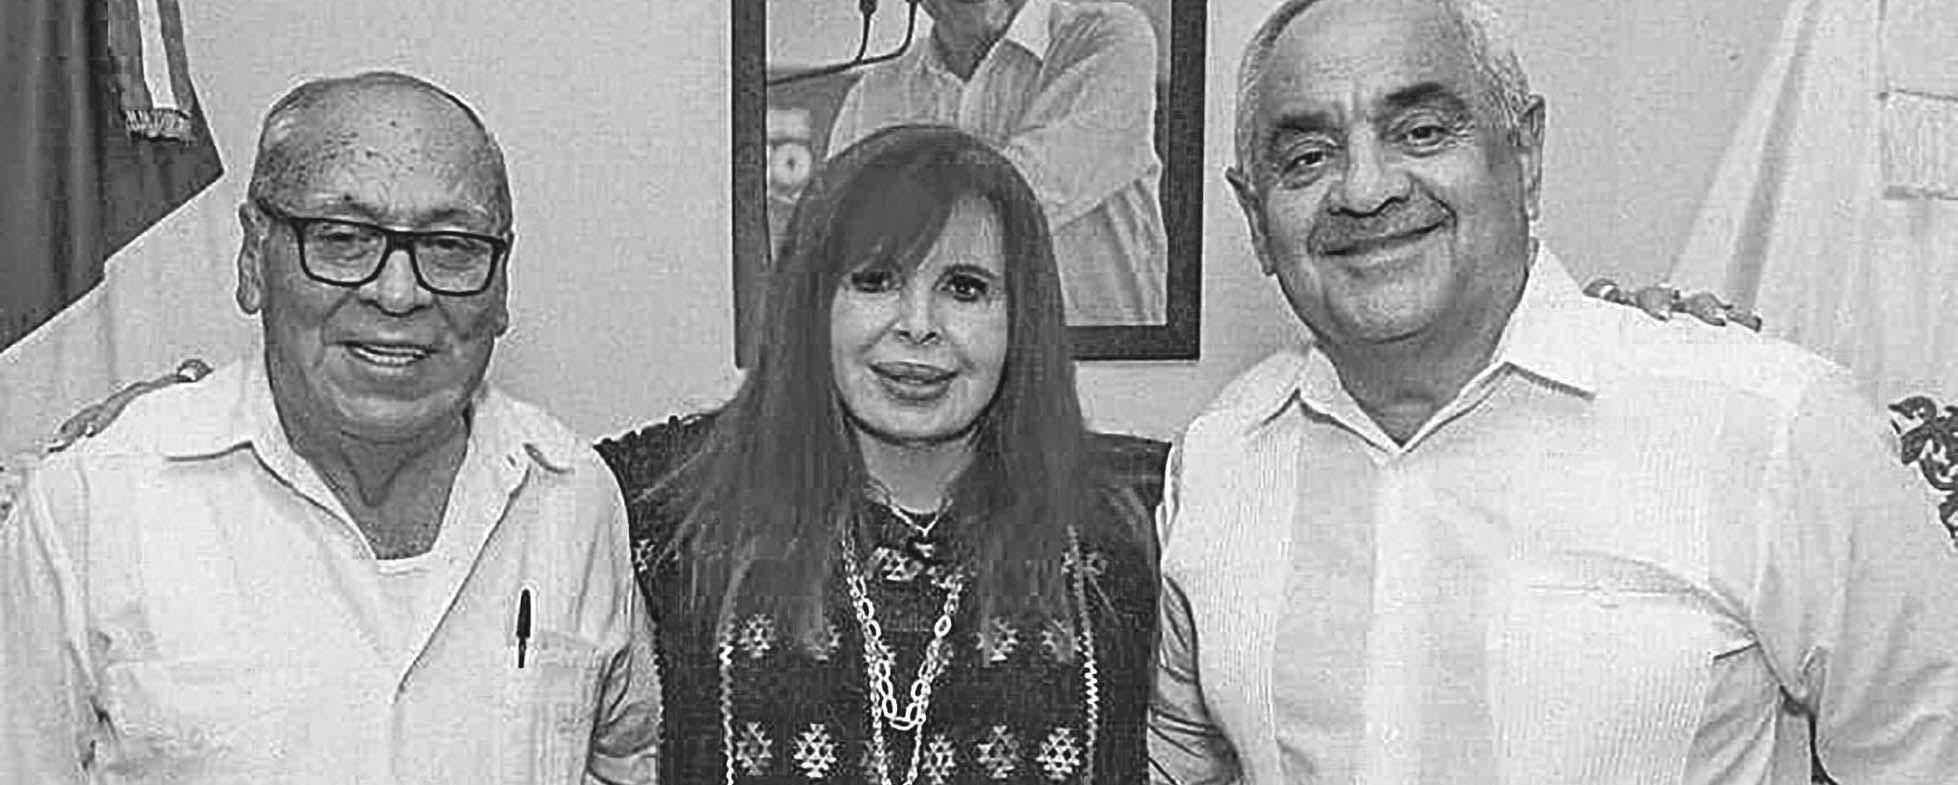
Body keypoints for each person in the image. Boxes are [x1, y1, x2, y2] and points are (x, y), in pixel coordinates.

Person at [1149, 0, 1958, 782]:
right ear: (1256, 216)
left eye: (1421, 131)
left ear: (1526, 152)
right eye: (1306, 157)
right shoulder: (1217, 465)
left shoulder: (1771, 426)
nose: (1365, 189)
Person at [0, 72, 660, 784]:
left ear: (501, 284)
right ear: (253, 257)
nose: (399, 293)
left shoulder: (572, 500)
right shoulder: (93, 507)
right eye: (343, 238)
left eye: (452, 245)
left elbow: (631, 762)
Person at [598, 124, 1163, 783]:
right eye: (875, 280)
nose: (918, 325)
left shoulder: (1143, 519)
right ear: (812, 302)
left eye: (965, 288)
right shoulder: (660, 503)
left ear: (1022, 318)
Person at [828, 0, 1170, 326]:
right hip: (934, 359)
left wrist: (894, 210)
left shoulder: (1108, 36)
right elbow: (838, 250)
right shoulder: (874, 94)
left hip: (1107, 356)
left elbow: (1022, 191)